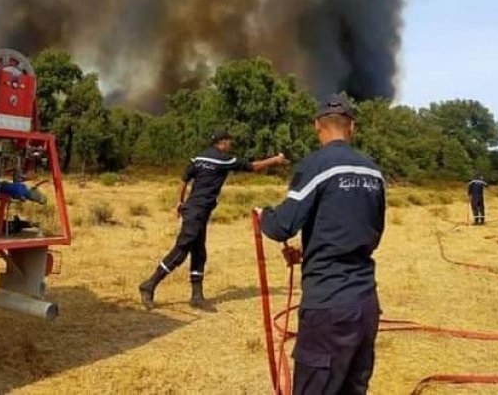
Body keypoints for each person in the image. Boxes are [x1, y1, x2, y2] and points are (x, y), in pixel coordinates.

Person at [254, 94, 386, 395]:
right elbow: (372, 233)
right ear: (352, 127)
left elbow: (282, 225)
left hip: (328, 306)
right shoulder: (373, 171)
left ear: (317, 126)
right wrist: (311, 249)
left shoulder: (316, 165)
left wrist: (264, 216)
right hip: (366, 303)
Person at [138, 130, 287, 311]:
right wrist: (275, 160)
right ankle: (149, 284)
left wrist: (180, 201)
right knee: (181, 250)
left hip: (194, 209)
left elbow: (184, 179)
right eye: (229, 142)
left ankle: (197, 296)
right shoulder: (223, 160)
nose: (230, 145)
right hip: (197, 212)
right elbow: (253, 166)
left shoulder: (198, 159)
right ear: (223, 142)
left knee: (199, 251)